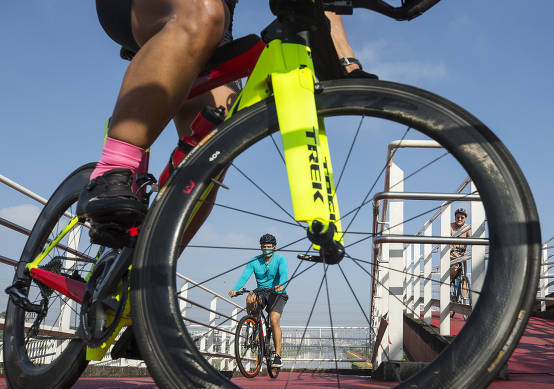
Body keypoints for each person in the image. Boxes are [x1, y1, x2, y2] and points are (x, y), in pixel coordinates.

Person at [79, 0, 375, 243]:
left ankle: (146, 270)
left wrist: (348, 63)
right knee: (202, 14)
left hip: (213, 29)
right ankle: (112, 169)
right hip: (150, 7)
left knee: (215, 152)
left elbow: (322, 5)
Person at [228, 233, 289, 367]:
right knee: (250, 298)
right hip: (261, 291)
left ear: (274, 247)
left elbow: (284, 274)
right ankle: (254, 324)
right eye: (263, 247)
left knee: (273, 320)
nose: (266, 249)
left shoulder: (280, 259)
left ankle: (278, 356)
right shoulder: (254, 261)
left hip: (277, 292)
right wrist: (235, 289)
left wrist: (281, 285)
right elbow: (244, 277)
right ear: (260, 247)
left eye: (269, 247)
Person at [449, 208, 470, 283]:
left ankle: (463, 295)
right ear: (455, 218)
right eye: (458, 217)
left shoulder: (468, 228)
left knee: (464, 278)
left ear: (465, 218)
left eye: (462, 217)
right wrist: (453, 251)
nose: (460, 219)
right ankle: (448, 286)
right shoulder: (450, 226)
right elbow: (447, 242)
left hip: (462, 255)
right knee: (454, 269)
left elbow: (473, 239)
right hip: (452, 255)